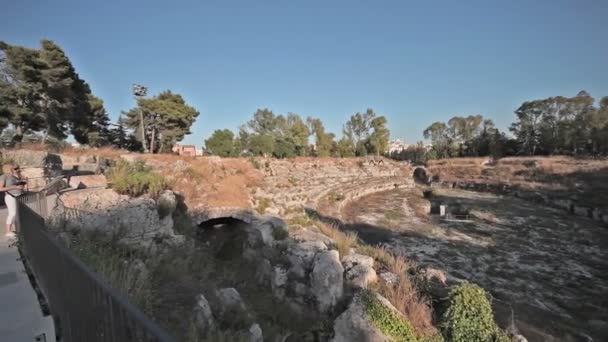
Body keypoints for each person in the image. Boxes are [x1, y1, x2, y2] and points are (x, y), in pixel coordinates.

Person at [0, 164, 26, 238]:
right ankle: (8, 231)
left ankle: (18, 230)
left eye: (18, 168)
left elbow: (21, 185)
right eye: (15, 168)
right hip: (10, 197)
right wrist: (15, 187)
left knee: (18, 214)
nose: (17, 169)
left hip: (18, 197)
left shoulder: (16, 176)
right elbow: (0, 188)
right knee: (12, 213)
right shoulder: (4, 176)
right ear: (9, 169)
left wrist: (22, 182)